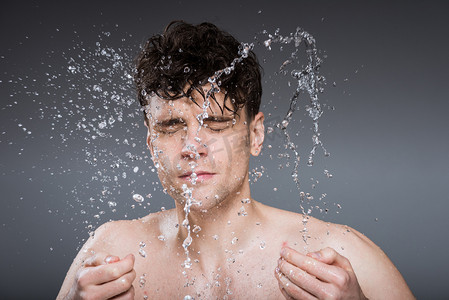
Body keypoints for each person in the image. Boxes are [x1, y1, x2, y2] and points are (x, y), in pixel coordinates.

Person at [57, 21, 414, 300]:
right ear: (151, 144)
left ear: (255, 135)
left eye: (215, 123)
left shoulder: (335, 256)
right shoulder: (112, 252)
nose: (192, 146)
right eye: (171, 125)